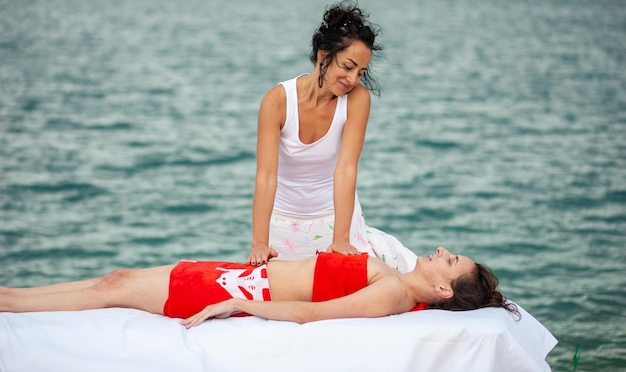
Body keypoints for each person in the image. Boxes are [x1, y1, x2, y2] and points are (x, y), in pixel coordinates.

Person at [0, 247, 518, 327]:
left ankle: (8, 304)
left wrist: (233, 304)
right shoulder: (393, 269)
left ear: (444, 291)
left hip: (239, 289)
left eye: (449, 261)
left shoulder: (394, 295)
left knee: (113, 286)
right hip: (242, 272)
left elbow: (314, 313)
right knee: (116, 280)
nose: (441, 252)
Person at [248, 0, 394, 266]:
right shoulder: (278, 100)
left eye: (361, 73)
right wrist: (260, 243)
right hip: (284, 226)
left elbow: (346, 170)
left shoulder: (357, 99)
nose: (353, 79)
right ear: (324, 55)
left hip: (334, 222)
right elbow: (266, 176)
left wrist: (341, 238)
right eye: (347, 67)